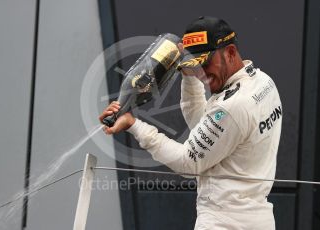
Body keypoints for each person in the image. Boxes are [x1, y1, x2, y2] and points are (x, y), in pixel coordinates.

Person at [99, 16, 282, 230]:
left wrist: (134, 125)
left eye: (204, 63)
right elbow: (204, 126)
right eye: (194, 65)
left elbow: (188, 163)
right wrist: (188, 75)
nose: (200, 74)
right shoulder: (263, 82)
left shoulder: (231, 107)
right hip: (259, 219)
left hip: (223, 222)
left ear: (230, 52)